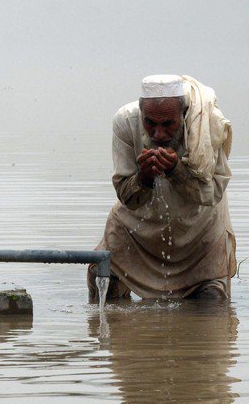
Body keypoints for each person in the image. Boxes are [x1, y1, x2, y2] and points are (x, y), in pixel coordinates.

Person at [88, 75, 236, 300]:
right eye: (150, 123)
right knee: (101, 278)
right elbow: (127, 196)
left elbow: (212, 193)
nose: (158, 134)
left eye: (168, 124)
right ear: (141, 114)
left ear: (184, 114)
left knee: (211, 301)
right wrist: (144, 178)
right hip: (136, 230)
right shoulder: (126, 122)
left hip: (199, 232)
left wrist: (176, 170)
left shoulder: (208, 125)